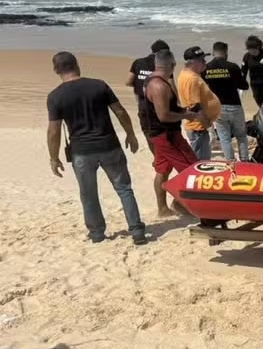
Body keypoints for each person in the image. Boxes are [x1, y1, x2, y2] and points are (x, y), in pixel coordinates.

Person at [46, 52, 148, 245]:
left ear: (56, 70)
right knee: (124, 189)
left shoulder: (55, 96)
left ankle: (97, 233)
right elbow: (120, 111)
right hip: (109, 145)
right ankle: (137, 231)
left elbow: (53, 131)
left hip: (82, 152)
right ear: (77, 64)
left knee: (88, 194)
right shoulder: (99, 85)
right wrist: (131, 134)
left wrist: (54, 157)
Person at [144, 49, 204, 217]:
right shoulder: (159, 85)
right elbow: (163, 115)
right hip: (167, 135)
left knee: (162, 170)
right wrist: (188, 115)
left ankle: (162, 208)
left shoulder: (153, 80)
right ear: (171, 65)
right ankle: (180, 204)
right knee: (191, 168)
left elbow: (166, 109)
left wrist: (184, 110)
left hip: (159, 134)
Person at [203, 40, 250, 161]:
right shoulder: (232, 67)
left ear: (213, 52)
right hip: (234, 105)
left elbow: (202, 87)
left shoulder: (206, 69)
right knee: (241, 135)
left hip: (217, 108)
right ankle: (244, 160)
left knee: (224, 138)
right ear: (226, 53)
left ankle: (231, 161)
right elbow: (244, 86)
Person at [176, 46, 221, 160]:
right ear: (192, 62)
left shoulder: (188, 75)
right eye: (202, 60)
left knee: (202, 159)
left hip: (199, 126)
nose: (205, 62)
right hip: (198, 128)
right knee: (201, 162)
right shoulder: (191, 79)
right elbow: (194, 106)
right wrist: (206, 124)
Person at [125, 39, 170, 151]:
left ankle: (156, 155)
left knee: (148, 131)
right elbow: (171, 86)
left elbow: (128, 82)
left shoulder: (138, 62)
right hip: (160, 104)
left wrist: (141, 86)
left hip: (142, 104)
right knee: (164, 131)